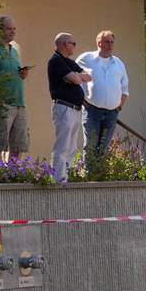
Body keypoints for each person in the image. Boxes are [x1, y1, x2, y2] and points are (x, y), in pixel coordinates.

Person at [76, 30, 129, 162]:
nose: (110, 45)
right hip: (92, 110)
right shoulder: (86, 59)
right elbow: (73, 77)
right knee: (90, 146)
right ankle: (89, 174)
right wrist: (80, 99)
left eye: (112, 42)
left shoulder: (118, 63)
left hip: (112, 112)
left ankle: (101, 174)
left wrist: (119, 106)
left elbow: (125, 88)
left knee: (104, 148)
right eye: (107, 42)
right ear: (99, 43)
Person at [47, 33, 92, 182]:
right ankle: (58, 179)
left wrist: (76, 76)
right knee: (63, 145)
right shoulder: (56, 60)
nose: (75, 46)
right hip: (64, 108)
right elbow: (77, 80)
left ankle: (67, 176)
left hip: (75, 109)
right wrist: (76, 77)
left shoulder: (69, 62)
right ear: (65, 44)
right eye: (73, 43)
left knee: (72, 147)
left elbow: (88, 76)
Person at [0, 15, 30, 162]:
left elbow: (13, 73)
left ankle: (13, 174)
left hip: (20, 103)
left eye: (14, 29)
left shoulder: (14, 51)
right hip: (3, 104)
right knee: (0, 145)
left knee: (18, 146)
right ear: (0, 30)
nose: (13, 32)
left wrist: (22, 74)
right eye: (9, 29)